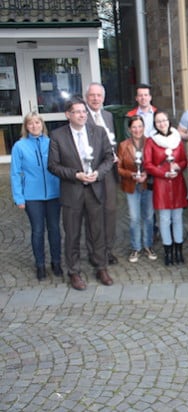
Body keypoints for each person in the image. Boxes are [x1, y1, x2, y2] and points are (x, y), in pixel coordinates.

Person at [48, 98, 115, 290]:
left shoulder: (98, 132)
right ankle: (74, 271)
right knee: (72, 233)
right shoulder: (58, 135)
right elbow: (53, 166)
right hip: (72, 191)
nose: (82, 115)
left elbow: (109, 158)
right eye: (77, 112)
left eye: (84, 112)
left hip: (95, 189)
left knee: (97, 232)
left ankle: (101, 266)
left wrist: (99, 173)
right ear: (68, 115)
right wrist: (75, 175)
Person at [10, 112, 62, 280]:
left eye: (37, 122)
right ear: (26, 127)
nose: (34, 126)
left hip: (54, 194)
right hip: (32, 196)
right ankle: (40, 264)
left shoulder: (51, 143)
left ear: (42, 124)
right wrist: (19, 197)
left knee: (54, 229)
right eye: (30, 123)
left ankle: (56, 262)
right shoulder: (20, 146)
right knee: (38, 230)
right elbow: (15, 173)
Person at [143, 110, 188, 266]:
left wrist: (177, 166)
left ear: (169, 121)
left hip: (177, 182)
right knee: (164, 219)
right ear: (155, 124)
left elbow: (184, 160)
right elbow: (148, 164)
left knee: (177, 218)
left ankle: (179, 250)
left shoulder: (177, 139)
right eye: (158, 121)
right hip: (161, 184)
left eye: (164, 120)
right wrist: (163, 172)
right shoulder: (151, 141)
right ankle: (168, 251)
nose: (162, 123)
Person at [84, 82, 119, 265]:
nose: (95, 98)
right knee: (94, 214)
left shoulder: (108, 116)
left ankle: (107, 250)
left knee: (110, 211)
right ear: (86, 98)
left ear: (103, 98)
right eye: (92, 95)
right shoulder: (82, 117)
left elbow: (111, 142)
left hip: (110, 172)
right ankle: (94, 253)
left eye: (99, 95)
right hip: (92, 173)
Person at [117, 115, 157, 263]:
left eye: (140, 126)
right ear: (129, 129)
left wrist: (146, 173)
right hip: (131, 185)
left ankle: (148, 245)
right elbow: (119, 168)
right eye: (134, 127)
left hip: (148, 185)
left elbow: (156, 163)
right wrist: (131, 174)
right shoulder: (123, 145)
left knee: (148, 217)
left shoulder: (151, 143)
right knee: (134, 218)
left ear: (144, 127)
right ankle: (136, 247)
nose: (137, 130)